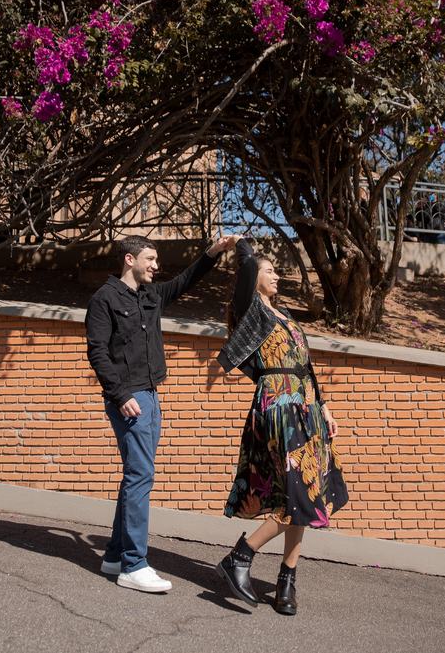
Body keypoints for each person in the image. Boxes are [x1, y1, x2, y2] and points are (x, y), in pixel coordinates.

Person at [85, 233, 240, 593]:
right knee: (141, 476)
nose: (156, 266)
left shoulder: (150, 295)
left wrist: (213, 252)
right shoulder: (104, 299)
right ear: (130, 259)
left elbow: (187, 280)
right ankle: (134, 565)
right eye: (150, 259)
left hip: (151, 394)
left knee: (134, 476)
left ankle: (114, 554)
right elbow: (97, 352)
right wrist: (121, 394)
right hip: (129, 398)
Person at [214, 239, 348, 615]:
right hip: (278, 405)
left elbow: (306, 366)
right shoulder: (251, 310)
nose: (276, 275)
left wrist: (325, 407)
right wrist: (242, 246)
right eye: (268, 270)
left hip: (306, 408)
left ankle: (286, 580)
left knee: (305, 494)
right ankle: (240, 557)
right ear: (253, 277)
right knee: (300, 491)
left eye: (275, 270)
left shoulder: (285, 313)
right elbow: (245, 268)